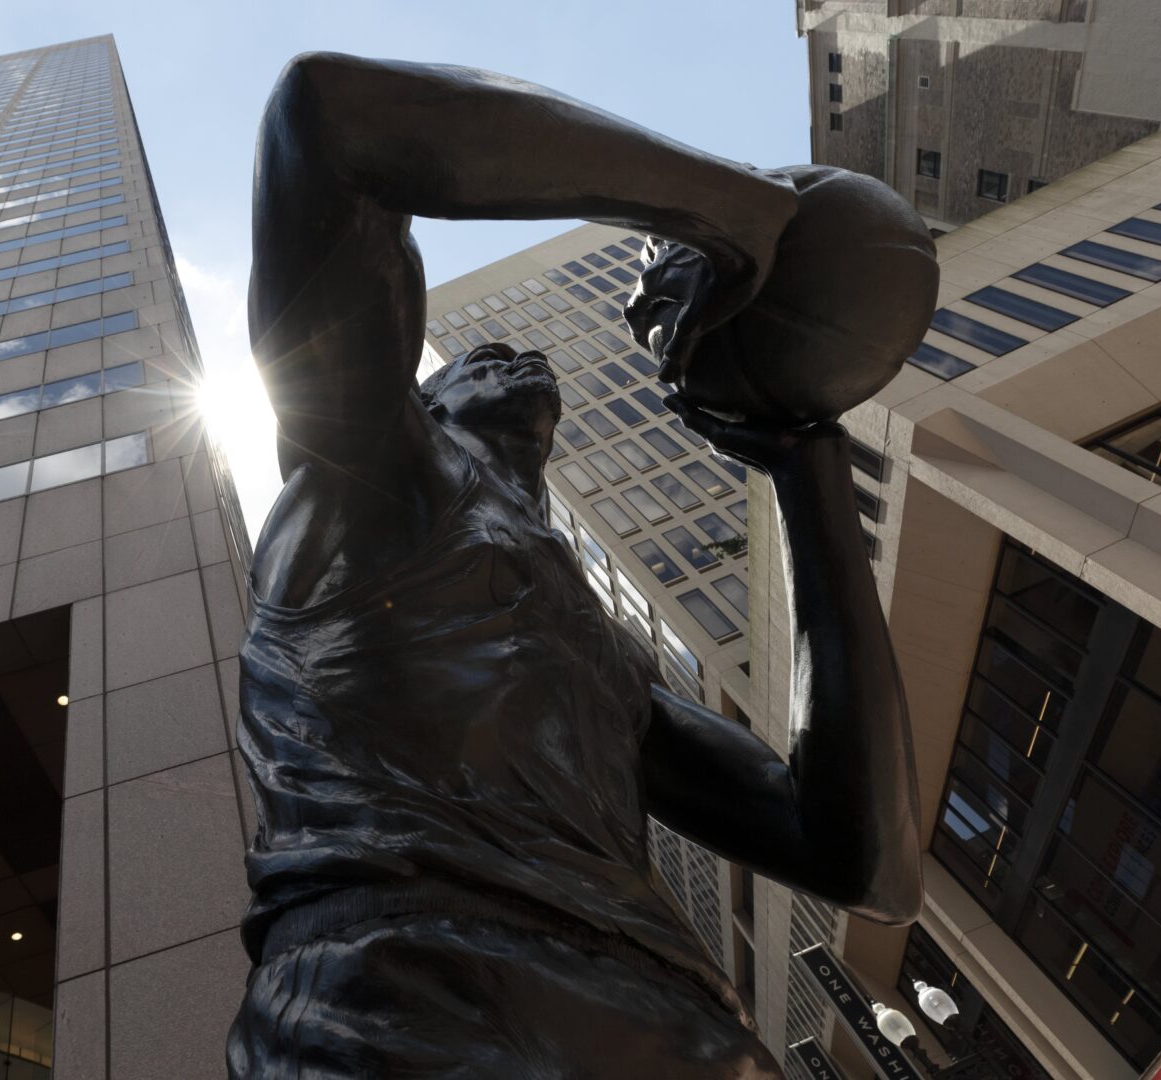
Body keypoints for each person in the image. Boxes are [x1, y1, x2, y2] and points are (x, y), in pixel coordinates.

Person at [231, 52, 922, 1078]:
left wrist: (805, 459)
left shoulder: (603, 671)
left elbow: (865, 861)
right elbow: (326, 120)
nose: (502, 354)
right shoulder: (356, 488)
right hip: (419, 1009)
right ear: (415, 403)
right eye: (468, 362)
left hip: (678, 1027)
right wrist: (741, 214)